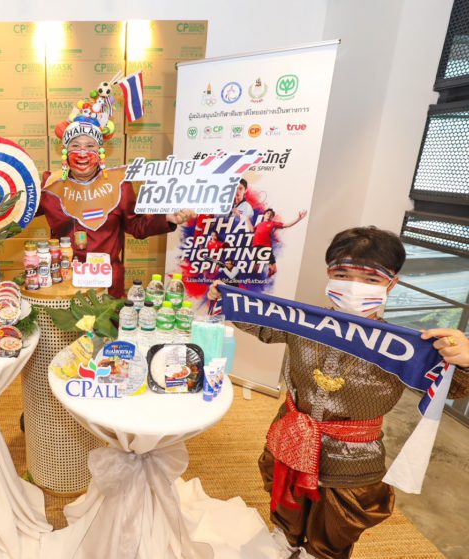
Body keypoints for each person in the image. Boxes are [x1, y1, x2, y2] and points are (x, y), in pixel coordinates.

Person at [208, 226, 469, 559]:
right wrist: (227, 299)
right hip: (291, 433)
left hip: (353, 456)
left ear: (392, 283)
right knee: (285, 497)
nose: (354, 286)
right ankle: (285, 538)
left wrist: (464, 362)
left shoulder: (407, 346)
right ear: (329, 275)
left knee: (337, 522)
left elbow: (452, 387)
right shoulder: (301, 321)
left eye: (370, 278)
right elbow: (260, 321)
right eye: (343, 275)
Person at [39, 82, 194, 297]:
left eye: (90, 146)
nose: (82, 153)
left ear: (100, 151)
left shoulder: (119, 183)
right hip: (63, 284)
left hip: (107, 287)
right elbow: (21, 212)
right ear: (65, 151)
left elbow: (136, 225)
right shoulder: (51, 185)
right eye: (75, 146)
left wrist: (167, 217)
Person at [249, 208, 308, 277]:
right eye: (268, 213)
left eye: (271, 215)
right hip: (257, 247)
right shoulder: (259, 224)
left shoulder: (273, 223)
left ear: (272, 217)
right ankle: (252, 279)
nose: (269, 215)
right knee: (254, 268)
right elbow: (252, 230)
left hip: (266, 247)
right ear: (264, 215)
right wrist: (247, 220)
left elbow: (287, 225)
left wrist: (298, 219)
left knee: (274, 270)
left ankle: (266, 277)